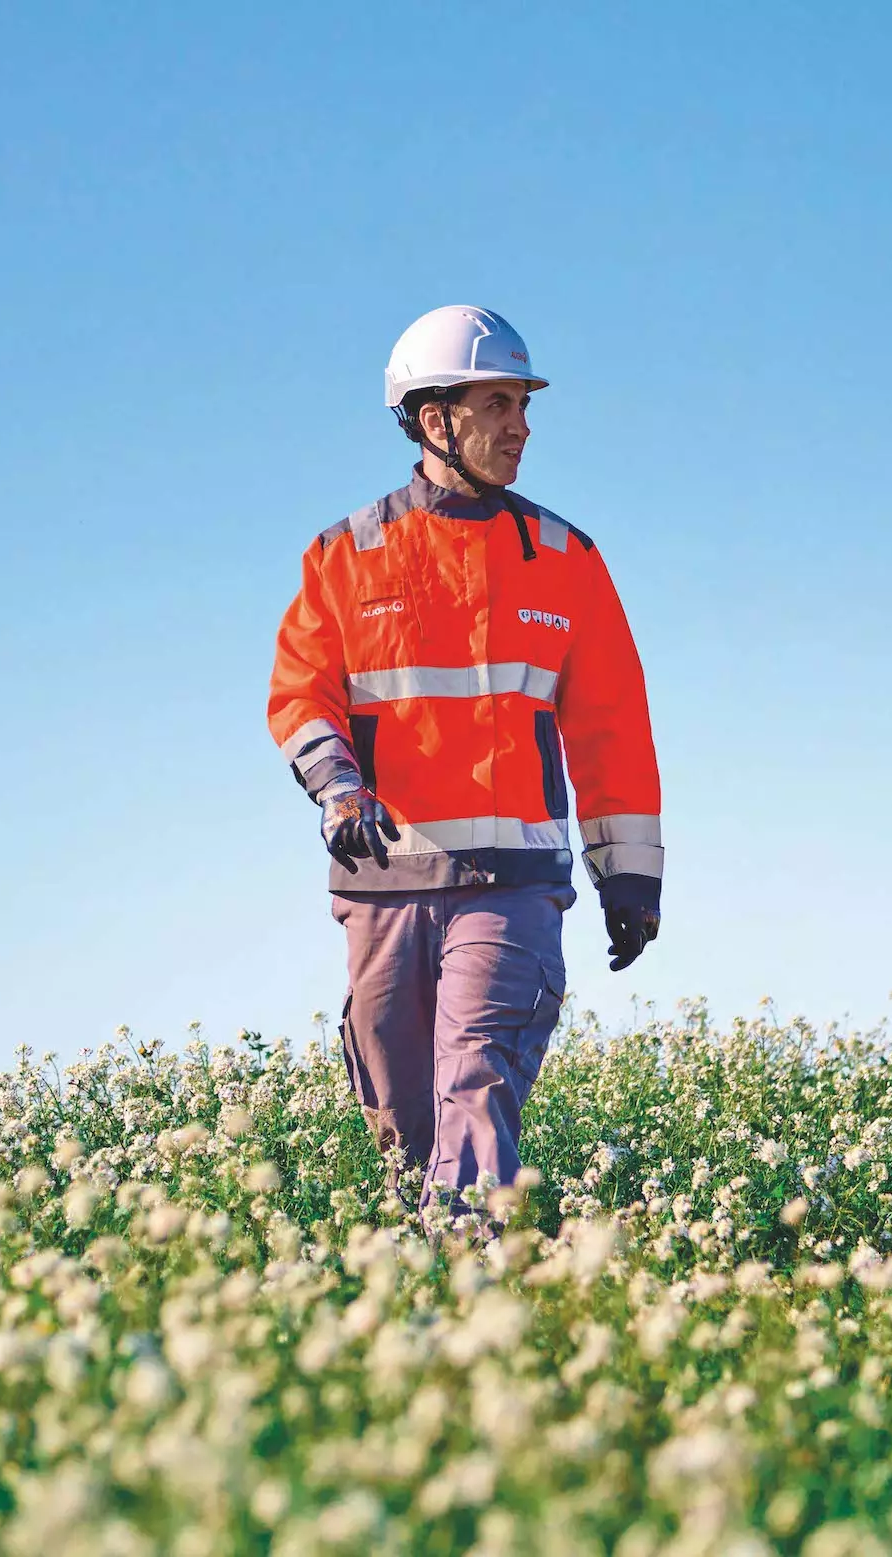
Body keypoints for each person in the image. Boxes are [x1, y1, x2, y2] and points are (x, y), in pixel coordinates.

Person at [266, 305, 664, 1207]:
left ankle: (472, 1265)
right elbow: (299, 693)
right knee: (405, 1129)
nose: (521, 426)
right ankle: (422, 1273)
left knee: (476, 1084)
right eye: (498, 405)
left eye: (523, 405)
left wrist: (630, 876)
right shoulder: (343, 555)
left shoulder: (568, 558)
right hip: (384, 884)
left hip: (512, 884)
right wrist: (337, 786)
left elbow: (612, 727)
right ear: (434, 419)